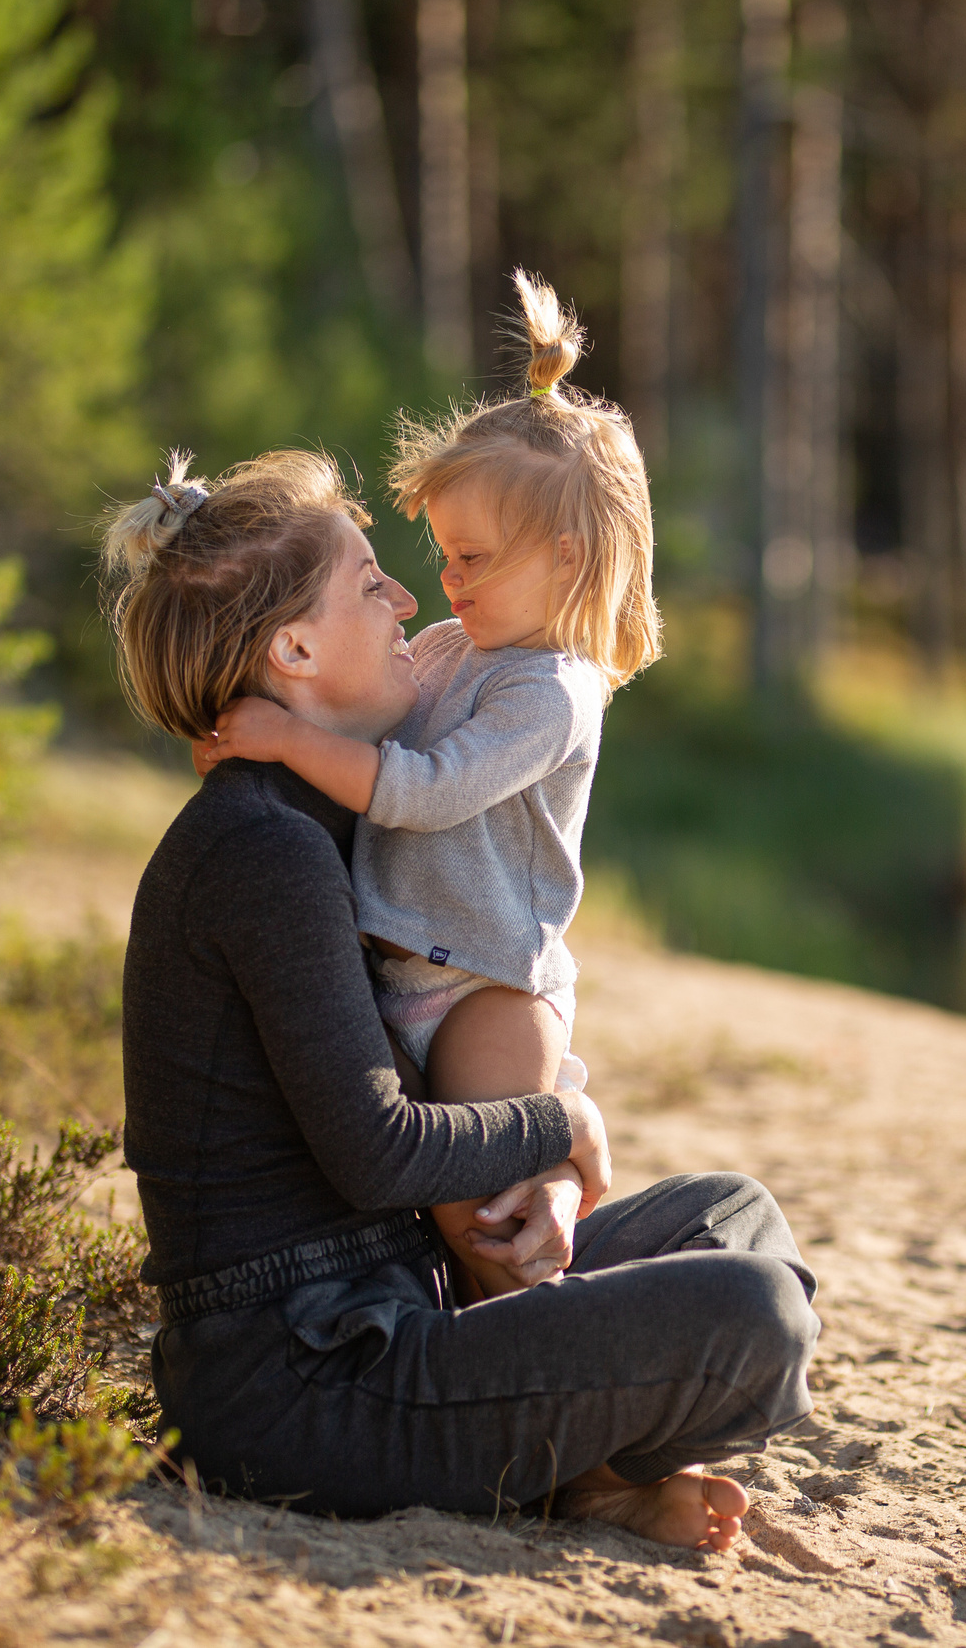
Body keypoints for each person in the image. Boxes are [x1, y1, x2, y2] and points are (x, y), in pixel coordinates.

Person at [102, 446, 816, 1548]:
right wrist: (564, 1126)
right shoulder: (259, 850)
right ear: (293, 649)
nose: (405, 598)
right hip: (302, 1379)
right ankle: (576, 1472)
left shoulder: (330, 822)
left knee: (731, 1217)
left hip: (405, 1295)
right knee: (753, 1317)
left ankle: (571, 1470)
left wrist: (549, 1194)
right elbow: (380, 1155)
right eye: (366, 582)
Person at [197, 270, 655, 1303]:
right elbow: (369, 721)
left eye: (474, 558)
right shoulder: (455, 647)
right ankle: (542, 1407)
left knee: (485, 1229)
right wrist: (272, 718)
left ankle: (549, 1414)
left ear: (568, 558)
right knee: (460, 1225)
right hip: (405, 973)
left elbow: (423, 789)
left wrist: (282, 738)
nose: (447, 582)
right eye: (443, 552)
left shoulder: (554, 693)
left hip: (486, 989)